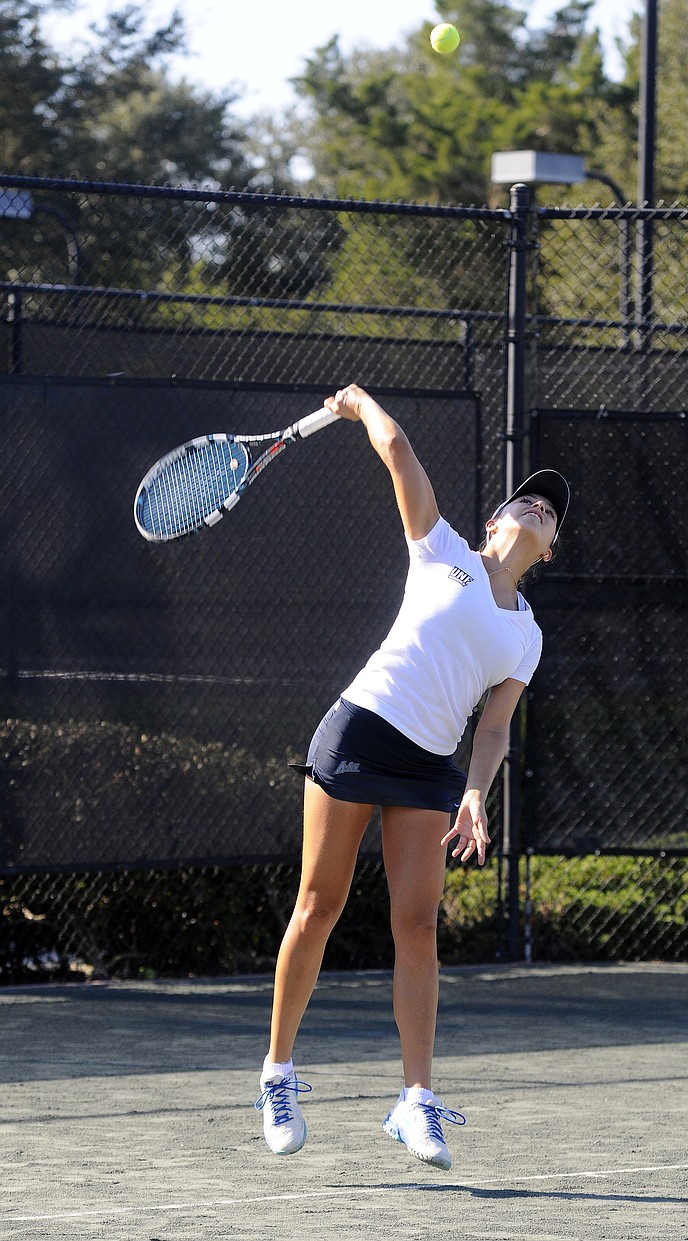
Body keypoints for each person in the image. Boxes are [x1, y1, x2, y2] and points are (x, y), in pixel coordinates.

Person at [254, 384, 569, 1170]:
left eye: (551, 512)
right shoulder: (443, 550)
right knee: (319, 906)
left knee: (418, 928)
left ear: (551, 550)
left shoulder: (526, 638)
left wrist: (474, 792)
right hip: (358, 732)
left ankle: (414, 1102)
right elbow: (398, 453)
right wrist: (360, 405)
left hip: (429, 767)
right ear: (496, 520)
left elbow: (493, 727)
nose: (537, 508)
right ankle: (278, 1074)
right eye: (525, 500)